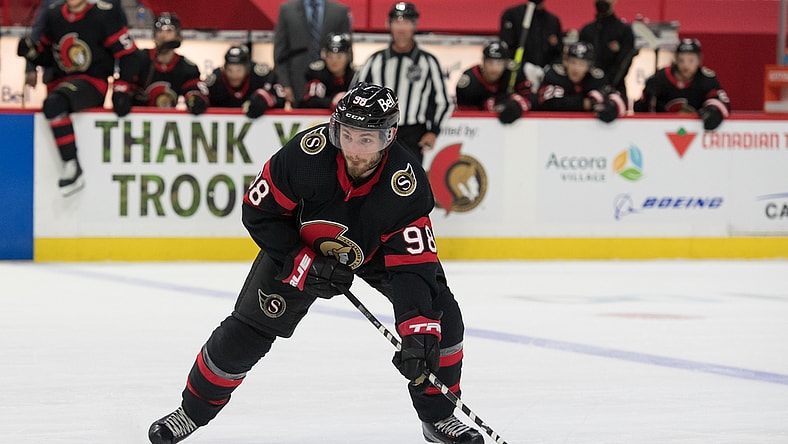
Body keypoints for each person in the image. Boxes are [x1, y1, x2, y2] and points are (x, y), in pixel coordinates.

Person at [147, 82, 484, 444]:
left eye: (366, 140)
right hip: (298, 246)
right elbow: (258, 212)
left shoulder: (406, 184)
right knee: (248, 331)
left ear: (389, 137)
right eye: (347, 135)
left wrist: (417, 330)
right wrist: (301, 261)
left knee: (439, 319)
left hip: (376, 252)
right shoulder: (306, 156)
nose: (353, 150)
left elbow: (413, 266)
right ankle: (191, 411)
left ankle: (439, 418)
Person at [17, 0, 138, 196]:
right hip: (62, 83)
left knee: (54, 104)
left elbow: (130, 55)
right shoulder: (54, 14)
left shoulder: (104, 14)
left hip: (92, 82)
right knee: (54, 103)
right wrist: (32, 52)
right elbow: (49, 55)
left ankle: (72, 166)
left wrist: (121, 88)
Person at [352, 2, 453, 164]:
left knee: (409, 182)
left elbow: (443, 102)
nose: (401, 28)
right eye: (397, 22)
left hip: (413, 134)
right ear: (388, 24)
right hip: (378, 130)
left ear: (414, 25)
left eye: (406, 22)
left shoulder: (428, 62)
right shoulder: (374, 61)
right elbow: (356, 96)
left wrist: (433, 131)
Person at [112, 12, 209, 117]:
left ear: (178, 36)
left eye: (169, 30)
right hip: (137, 120)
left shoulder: (187, 68)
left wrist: (195, 99)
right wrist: (121, 96)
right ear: (154, 35)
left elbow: (197, 93)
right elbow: (122, 85)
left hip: (168, 122)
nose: (163, 35)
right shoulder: (138, 59)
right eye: (159, 30)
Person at [23, 0, 127, 89]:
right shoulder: (53, 4)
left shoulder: (110, 4)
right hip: (59, 75)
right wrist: (31, 68)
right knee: (56, 103)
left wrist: (122, 81)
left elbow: (121, 33)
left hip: (96, 76)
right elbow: (38, 33)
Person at [633, 38, 730, 130]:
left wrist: (713, 110)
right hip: (661, 131)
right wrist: (647, 101)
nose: (686, 65)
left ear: (699, 60)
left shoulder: (706, 79)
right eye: (681, 60)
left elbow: (723, 101)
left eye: (691, 60)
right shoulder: (660, 79)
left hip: (696, 132)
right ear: (675, 59)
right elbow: (640, 108)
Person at [274, 0, 351, 108]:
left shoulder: (339, 11)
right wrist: (285, 84)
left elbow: (347, 50)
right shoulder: (287, 10)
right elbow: (280, 53)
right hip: (297, 82)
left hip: (331, 88)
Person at [533, 41, 626, 123]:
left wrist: (608, 109)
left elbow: (617, 102)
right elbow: (548, 103)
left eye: (582, 64)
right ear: (566, 62)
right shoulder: (554, 76)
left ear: (589, 66)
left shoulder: (597, 79)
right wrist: (586, 104)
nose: (576, 69)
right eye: (573, 62)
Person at [455, 40, 533, 124]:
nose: (494, 68)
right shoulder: (469, 82)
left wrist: (517, 105)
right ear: (483, 62)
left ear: (505, 63)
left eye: (499, 63)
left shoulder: (514, 73)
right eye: (490, 62)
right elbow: (465, 118)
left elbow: (532, 98)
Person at [204, 44, 286, 118]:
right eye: (230, 70)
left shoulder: (260, 75)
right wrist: (200, 100)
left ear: (247, 69)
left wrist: (265, 99)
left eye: (238, 70)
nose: (234, 75)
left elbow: (280, 96)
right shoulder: (215, 79)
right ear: (224, 69)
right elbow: (203, 94)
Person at [578, 0, 635, 99]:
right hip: (587, 90)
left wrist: (606, 85)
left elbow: (623, 65)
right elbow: (579, 61)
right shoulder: (587, 30)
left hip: (615, 92)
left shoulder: (624, 31)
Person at [499, 0, 563, 69]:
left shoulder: (553, 21)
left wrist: (548, 70)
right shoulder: (512, 15)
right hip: (517, 70)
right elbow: (506, 48)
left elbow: (558, 52)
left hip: (544, 74)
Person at [299, 32, 356, 109]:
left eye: (339, 57)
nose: (334, 61)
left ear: (348, 57)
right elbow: (311, 101)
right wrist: (332, 101)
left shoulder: (356, 77)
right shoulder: (316, 74)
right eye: (330, 56)